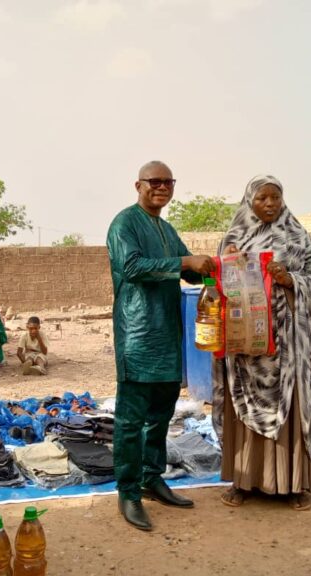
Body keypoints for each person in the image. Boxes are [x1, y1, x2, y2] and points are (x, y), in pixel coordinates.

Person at [106, 160, 215, 531]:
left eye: (169, 181)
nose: (162, 187)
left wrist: (214, 264)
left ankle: (152, 478)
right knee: (131, 420)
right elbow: (133, 266)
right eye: (155, 181)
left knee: (161, 416)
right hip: (138, 336)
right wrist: (185, 260)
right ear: (138, 184)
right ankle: (128, 491)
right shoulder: (125, 223)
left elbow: (185, 269)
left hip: (168, 336)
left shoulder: (167, 229)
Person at [213, 174, 311, 511]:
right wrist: (227, 263)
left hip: (287, 342)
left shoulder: (297, 236)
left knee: (288, 407)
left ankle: (292, 485)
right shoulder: (234, 237)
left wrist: (290, 280)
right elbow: (215, 284)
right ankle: (243, 481)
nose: (270, 204)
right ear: (250, 202)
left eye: (275, 197)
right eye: (262, 198)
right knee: (243, 405)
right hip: (248, 345)